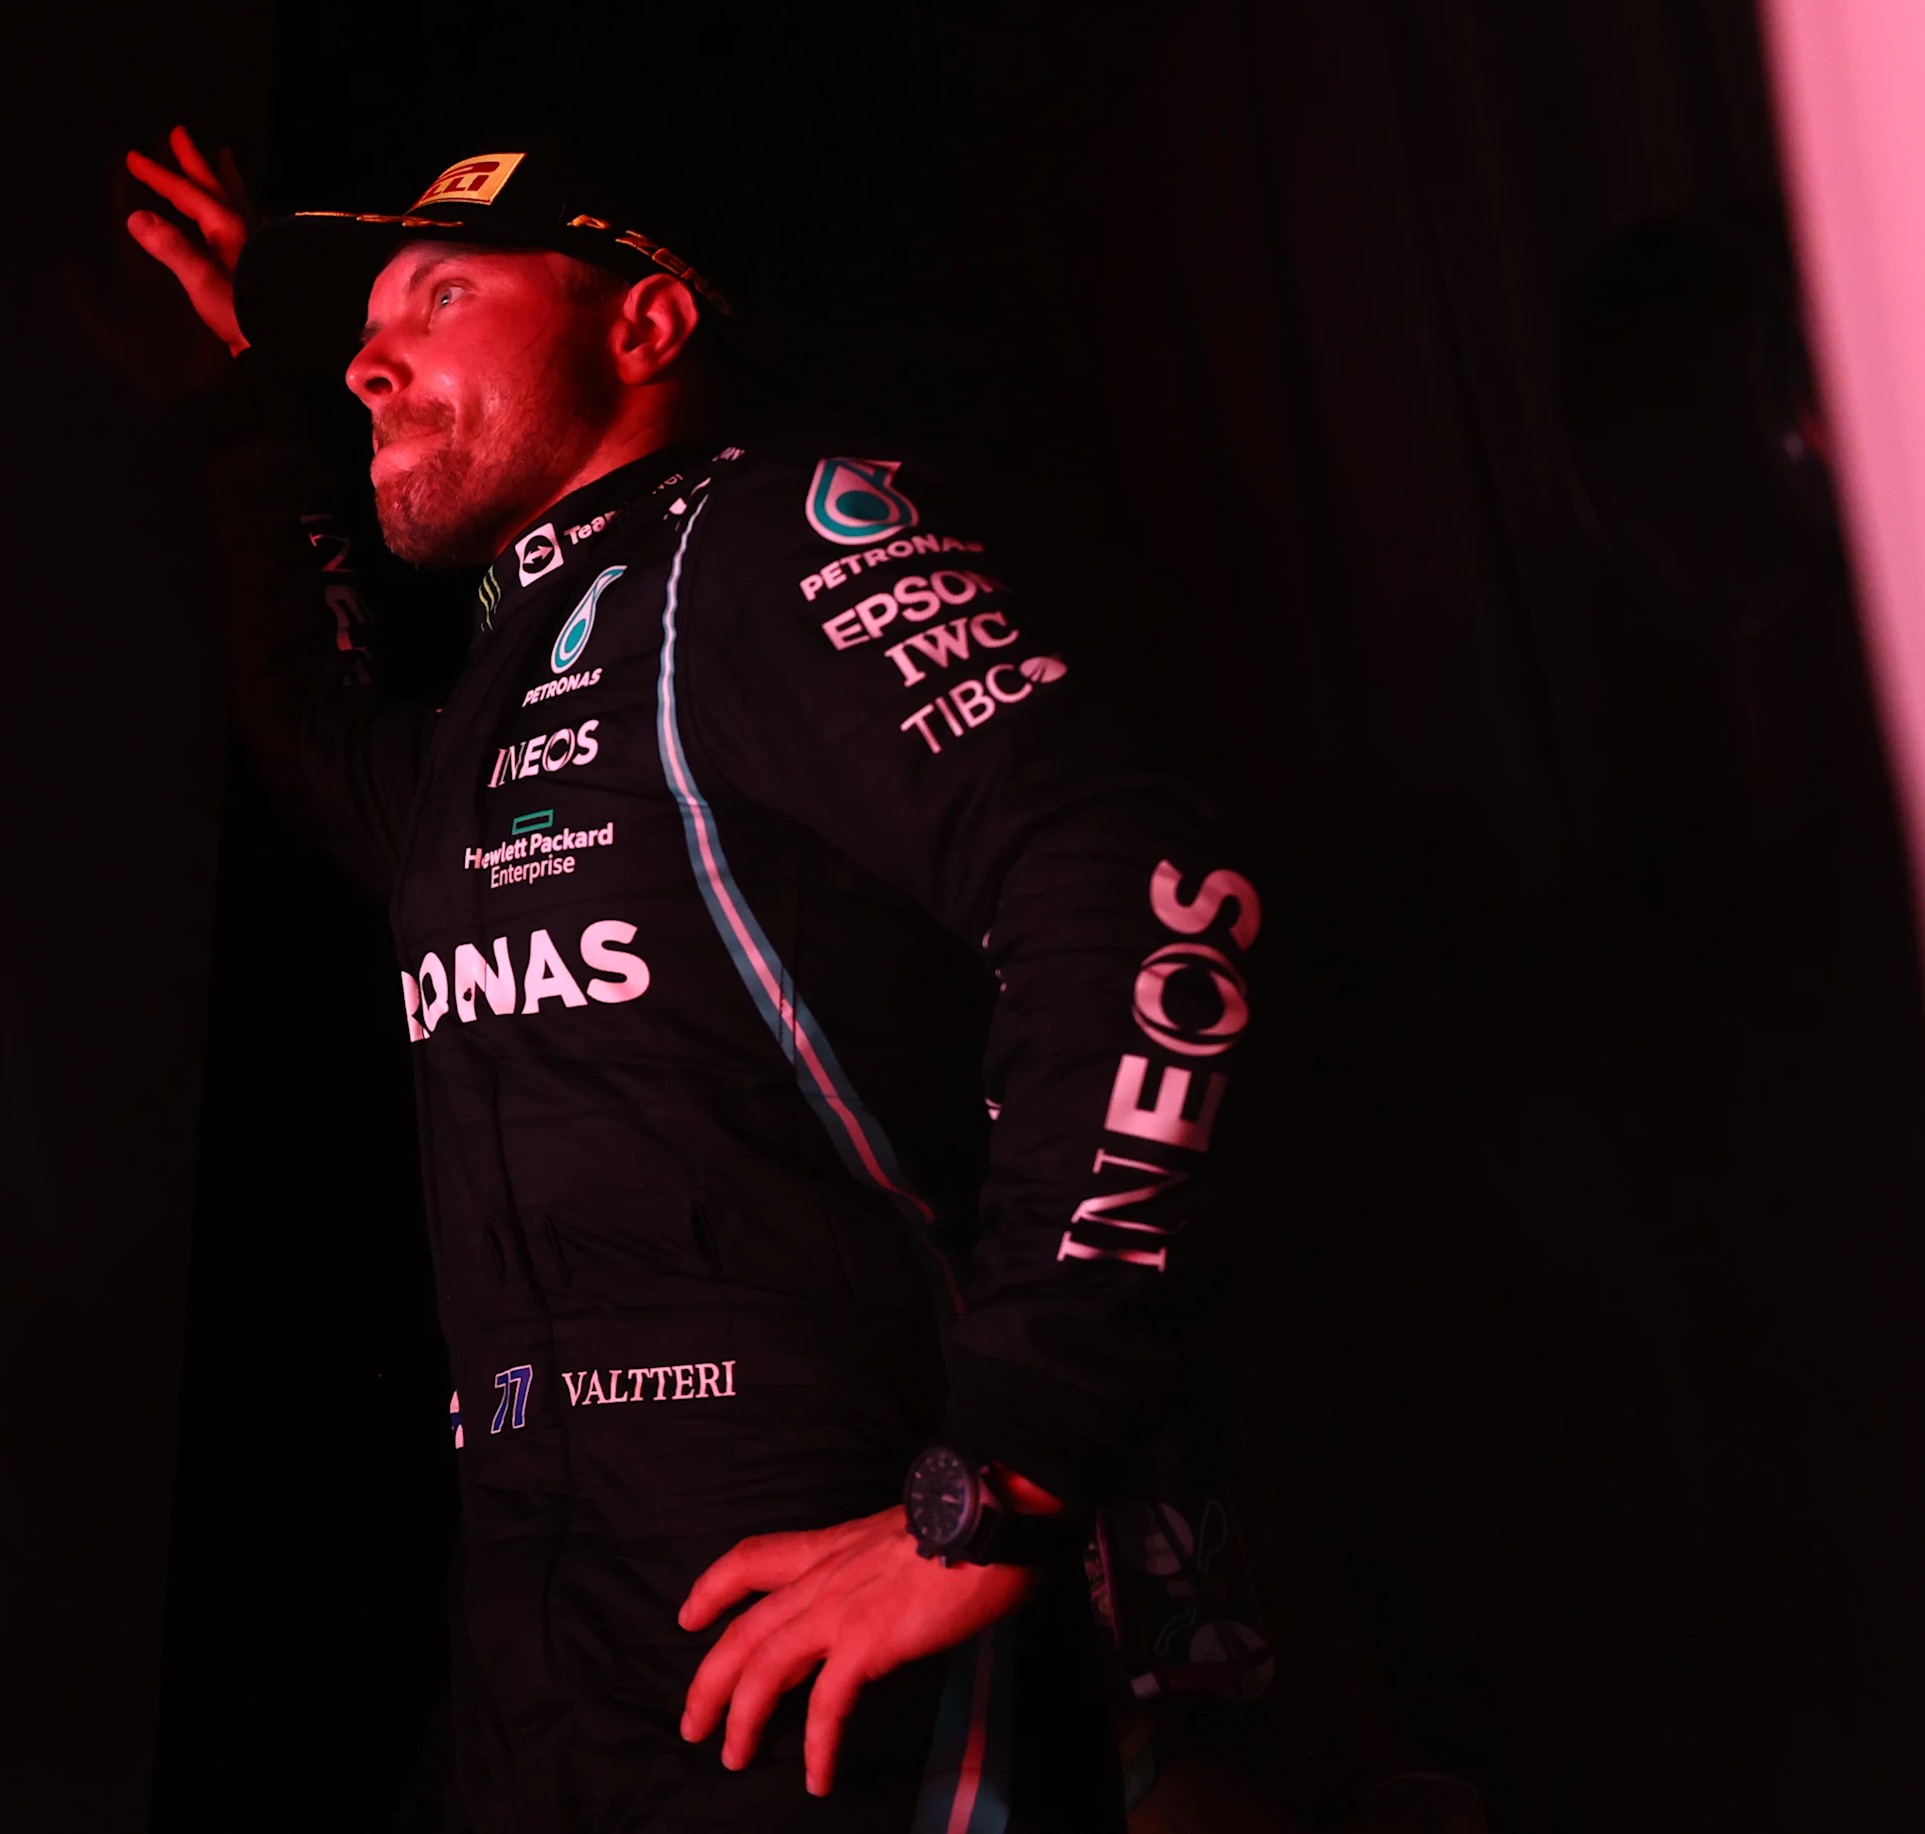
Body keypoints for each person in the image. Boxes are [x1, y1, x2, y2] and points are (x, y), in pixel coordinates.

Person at [125, 128, 1259, 1833]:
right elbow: (309, 732)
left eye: (442, 294)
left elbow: (1151, 897)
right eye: (363, 327)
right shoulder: (491, 722)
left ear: (647, 326)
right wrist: (253, 402)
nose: (372, 358)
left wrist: (1009, 1470)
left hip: (813, 1611)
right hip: (545, 1630)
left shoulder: (759, 543)